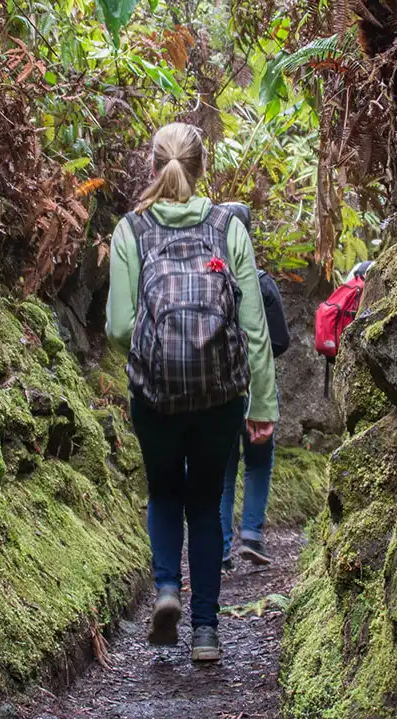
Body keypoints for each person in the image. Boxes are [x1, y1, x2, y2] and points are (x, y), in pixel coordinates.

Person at [106, 123, 278, 664]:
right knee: (204, 503)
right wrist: (263, 406)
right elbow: (254, 328)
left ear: (153, 168)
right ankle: (206, 633)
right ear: (204, 169)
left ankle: (165, 590)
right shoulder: (229, 227)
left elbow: (116, 327)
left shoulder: (130, 230)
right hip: (220, 397)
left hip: (155, 396)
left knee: (163, 491)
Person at [219, 203, 290, 570]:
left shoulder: (207, 276)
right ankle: (251, 535)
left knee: (224, 467)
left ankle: (220, 547)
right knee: (258, 462)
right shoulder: (261, 282)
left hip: (218, 387)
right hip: (255, 384)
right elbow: (280, 340)